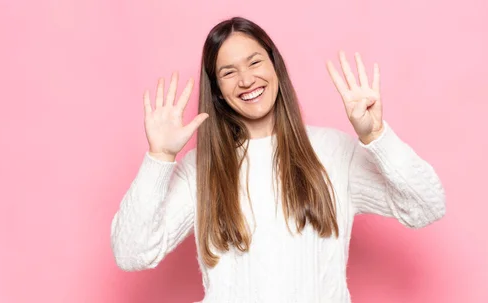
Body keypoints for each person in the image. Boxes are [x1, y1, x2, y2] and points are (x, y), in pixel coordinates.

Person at [110, 16, 446, 303]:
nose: (246, 80)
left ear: (275, 65)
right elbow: (132, 253)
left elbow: (426, 206)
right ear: (217, 91)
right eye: (228, 72)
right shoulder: (201, 169)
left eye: (255, 62)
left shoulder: (332, 152)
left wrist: (376, 137)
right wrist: (161, 157)